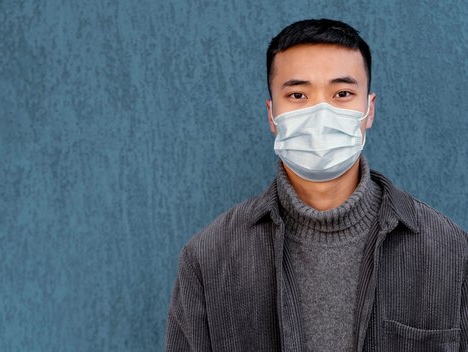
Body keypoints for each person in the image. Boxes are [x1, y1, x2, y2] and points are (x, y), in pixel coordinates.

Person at [165, 19, 468, 352]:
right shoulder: (208, 260)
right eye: (297, 94)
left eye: (342, 93)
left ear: (369, 109)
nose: (320, 114)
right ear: (271, 115)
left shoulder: (450, 253)